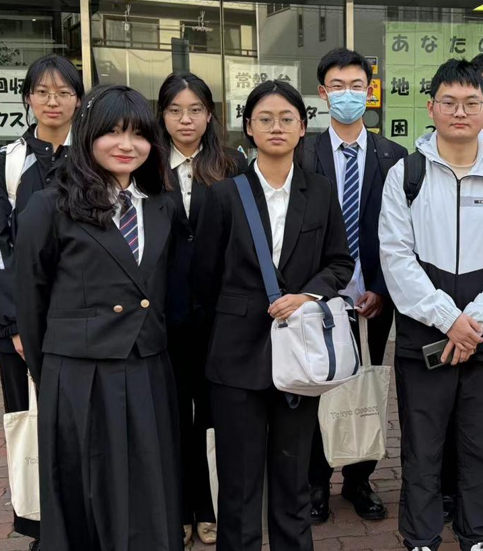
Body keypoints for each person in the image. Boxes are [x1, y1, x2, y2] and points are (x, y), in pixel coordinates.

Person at [15, 84, 182, 551]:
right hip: (78, 373)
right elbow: (31, 302)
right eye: (113, 132)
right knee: (84, 493)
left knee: (150, 489)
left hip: (148, 366)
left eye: (139, 134)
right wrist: (54, 376)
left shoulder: (162, 205)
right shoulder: (49, 205)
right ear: (88, 135)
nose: (127, 145)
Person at [192, 80, 354, 551]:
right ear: (249, 127)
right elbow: (202, 279)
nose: (276, 127)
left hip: (299, 357)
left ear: (303, 127)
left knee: (292, 479)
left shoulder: (320, 191)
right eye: (265, 119)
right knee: (239, 485)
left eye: (287, 118)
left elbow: (340, 263)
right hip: (235, 358)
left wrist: (308, 296)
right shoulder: (223, 195)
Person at [379, 58, 483, 551]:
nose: (460, 112)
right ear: (431, 108)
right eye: (449, 102)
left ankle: (477, 536)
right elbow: (396, 257)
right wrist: (448, 320)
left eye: (470, 102)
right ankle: (421, 537)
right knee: (422, 446)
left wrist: (474, 324)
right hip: (425, 334)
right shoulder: (406, 174)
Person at [0, 53, 84, 551]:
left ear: (78, 100)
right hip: (22, 322)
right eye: (42, 92)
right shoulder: (3, 163)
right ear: (27, 98)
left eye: (63, 92)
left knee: (81, 421)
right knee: (29, 423)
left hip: (81, 317)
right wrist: (14, 325)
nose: (52, 101)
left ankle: (85, 518)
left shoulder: (93, 157)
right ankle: (42, 525)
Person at [301, 48, 407, 522]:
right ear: (323, 94)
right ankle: (316, 483)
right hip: (317, 300)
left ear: (370, 91)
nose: (348, 94)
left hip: (373, 300)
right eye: (338, 86)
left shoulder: (395, 157)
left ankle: (359, 480)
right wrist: (312, 291)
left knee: (368, 388)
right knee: (317, 390)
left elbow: (401, 234)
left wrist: (382, 288)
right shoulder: (303, 153)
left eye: (357, 86)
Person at [157, 72, 247, 546]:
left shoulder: (232, 163)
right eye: (175, 110)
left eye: (195, 110)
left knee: (214, 414)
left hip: (218, 313)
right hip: (164, 313)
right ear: (162, 116)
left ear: (210, 115)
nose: (185, 119)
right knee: (173, 414)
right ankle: (180, 507)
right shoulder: (148, 163)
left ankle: (210, 506)